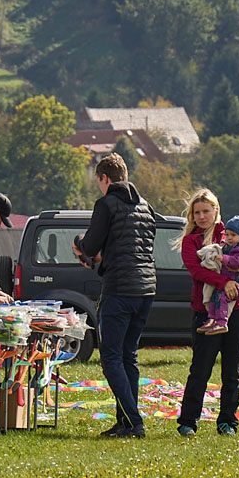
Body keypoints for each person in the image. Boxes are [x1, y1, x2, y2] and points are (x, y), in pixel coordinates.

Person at [73, 154, 156, 438]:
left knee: (110, 358)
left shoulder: (106, 204)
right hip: (146, 288)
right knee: (128, 355)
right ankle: (124, 422)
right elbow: (135, 245)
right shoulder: (145, 206)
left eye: (98, 181)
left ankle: (133, 421)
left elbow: (91, 244)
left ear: (104, 178)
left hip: (119, 288)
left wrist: (80, 247)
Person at [176, 188, 239, 437]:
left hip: (237, 311)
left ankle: (228, 421)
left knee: (232, 370)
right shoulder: (191, 241)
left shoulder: (231, 233)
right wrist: (224, 283)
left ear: (215, 211)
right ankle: (188, 421)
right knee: (200, 369)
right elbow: (196, 271)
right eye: (196, 212)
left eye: (205, 211)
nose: (201, 216)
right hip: (206, 313)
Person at [196, 214, 239, 336]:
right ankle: (212, 319)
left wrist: (224, 259)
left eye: (233, 235)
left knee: (222, 298)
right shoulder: (228, 246)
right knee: (215, 296)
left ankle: (222, 322)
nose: (229, 238)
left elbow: (237, 262)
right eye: (227, 234)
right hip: (229, 281)